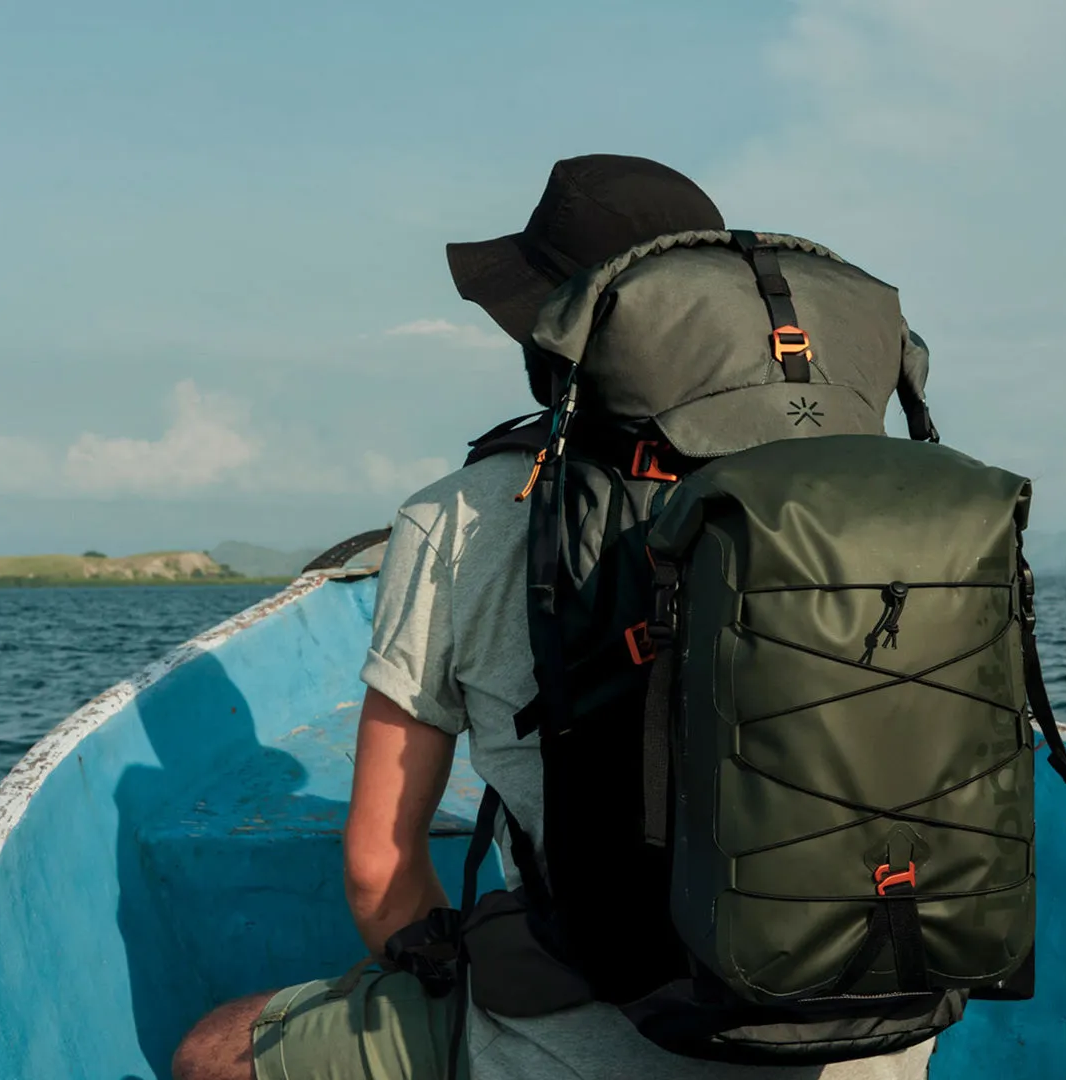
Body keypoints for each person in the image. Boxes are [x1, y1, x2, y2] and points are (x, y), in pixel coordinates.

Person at [171, 155, 936, 1080]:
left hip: (576, 1049)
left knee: (213, 1052)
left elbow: (379, 872)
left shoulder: (462, 516)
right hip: (879, 1034)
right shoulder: (881, 506)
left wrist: (457, 967)